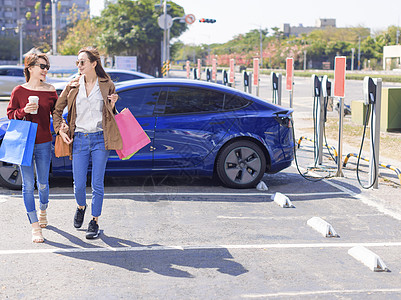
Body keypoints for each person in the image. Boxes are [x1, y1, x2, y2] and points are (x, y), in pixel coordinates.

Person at [53, 47, 122, 239]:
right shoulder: (73, 84)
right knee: (79, 184)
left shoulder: (107, 84)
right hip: (80, 139)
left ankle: (94, 221)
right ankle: (81, 206)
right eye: (77, 62)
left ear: (94, 64)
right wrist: (60, 129)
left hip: (100, 138)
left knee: (97, 183)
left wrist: (113, 105)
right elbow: (57, 111)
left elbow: (111, 115)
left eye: (82, 62)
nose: (79, 65)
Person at [7, 52, 58, 243]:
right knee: (28, 185)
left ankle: (43, 208)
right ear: (30, 68)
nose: (45, 70)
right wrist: (23, 111)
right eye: (42, 66)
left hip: (44, 142)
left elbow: (57, 113)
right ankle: (35, 226)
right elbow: (11, 114)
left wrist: (62, 125)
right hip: (24, 142)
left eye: (47, 67)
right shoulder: (18, 91)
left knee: (43, 184)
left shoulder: (51, 90)